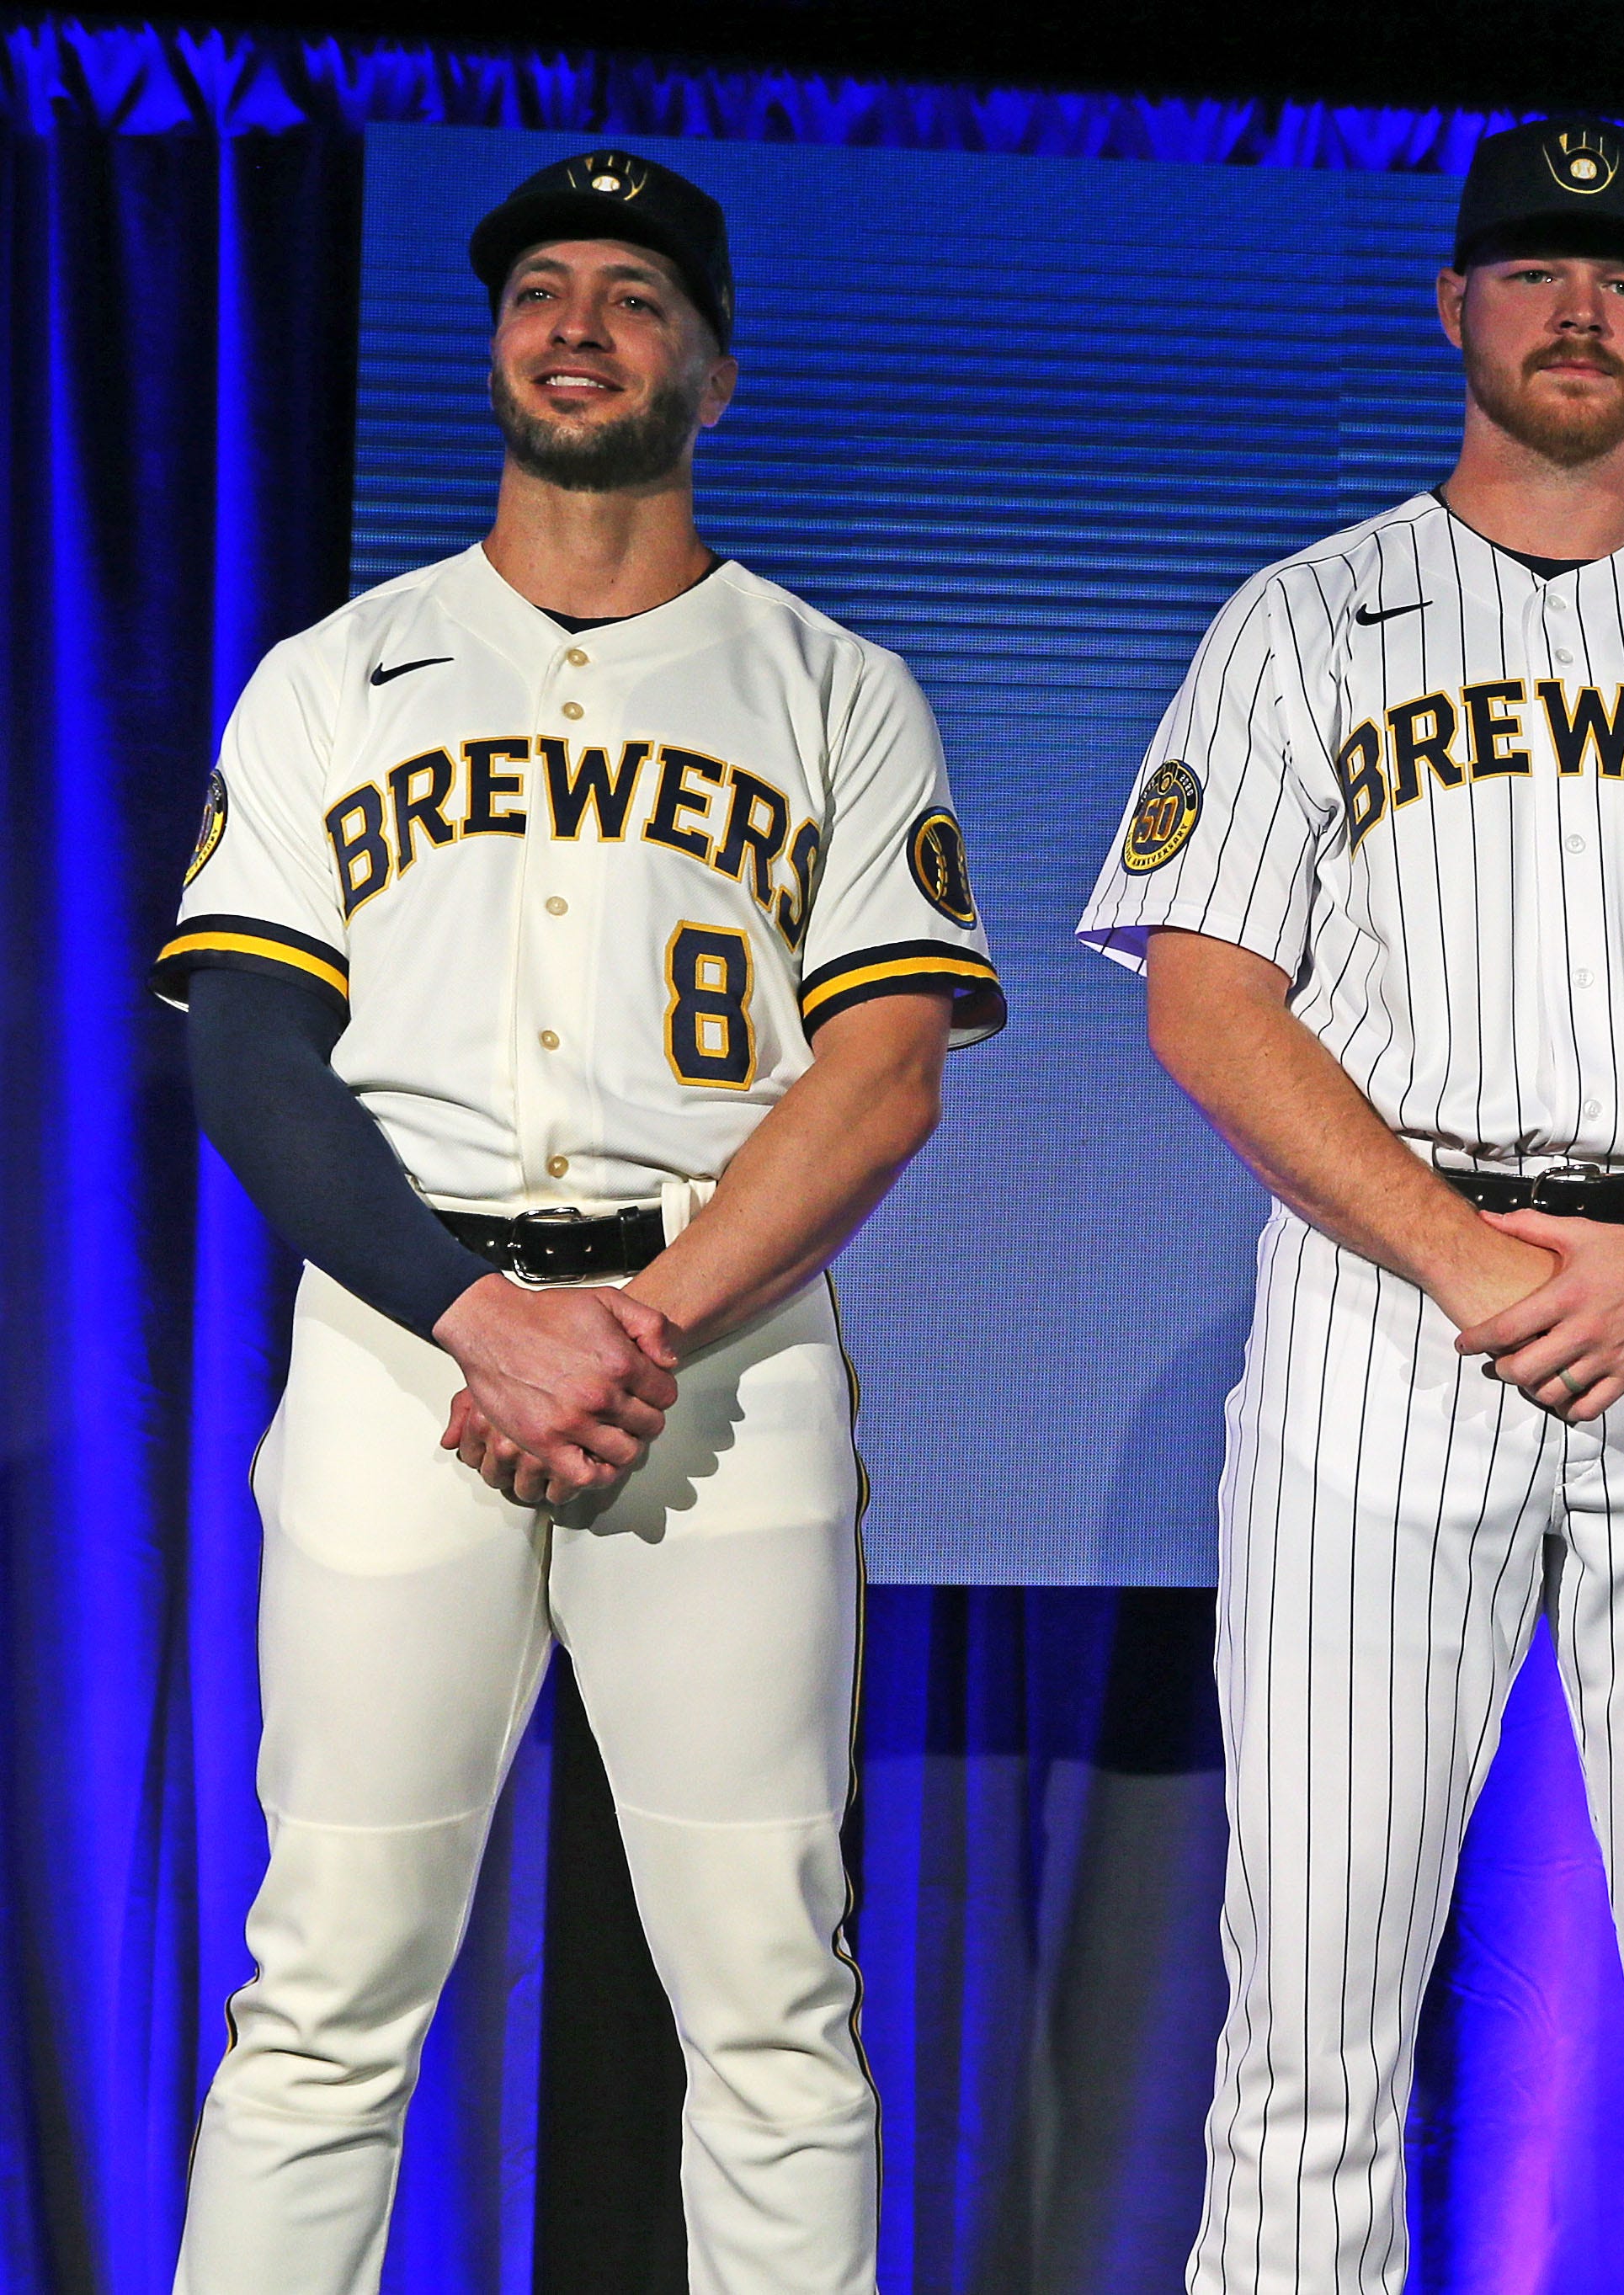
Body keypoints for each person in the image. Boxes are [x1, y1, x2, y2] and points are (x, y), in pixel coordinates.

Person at [1078, 114, 1624, 2294]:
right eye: (1536, 270)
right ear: (1452, 301)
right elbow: (1205, 998)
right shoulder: (1303, 622)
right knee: (1312, 2017)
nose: (1580, 309)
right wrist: (1468, 1255)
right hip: (1396, 1320)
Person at [156, 147, 1003, 2293]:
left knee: (772, 2002)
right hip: (398, 1347)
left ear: (709, 369)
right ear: (499, 343)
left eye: (634, 294)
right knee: (326, 1983)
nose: (579, 324)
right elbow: (252, 1057)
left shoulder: (833, 686)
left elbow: (884, 1071)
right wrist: (480, 1315)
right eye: (543, 286)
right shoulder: (337, 676)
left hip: (713, 1358)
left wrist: (626, 1323)